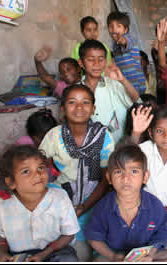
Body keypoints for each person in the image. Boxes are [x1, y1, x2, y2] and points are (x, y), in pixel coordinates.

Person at [39, 84, 115, 261]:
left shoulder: (103, 136)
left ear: (93, 108)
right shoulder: (54, 136)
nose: (79, 108)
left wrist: (83, 207)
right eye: (72, 102)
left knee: (98, 241)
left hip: (95, 198)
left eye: (85, 102)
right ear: (63, 109)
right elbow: (38, 164)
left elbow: (106, 180)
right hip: (63, 197)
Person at [85, 144, 167, 262]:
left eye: (134, 171)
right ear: (109, 178)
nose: (126, 178)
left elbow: (161, 234)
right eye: (118, 172)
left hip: (144, 255)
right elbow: (93, 238)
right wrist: (112, 256)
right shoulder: (102, 208)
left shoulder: (155, 206)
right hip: (114, 255)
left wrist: (151, 253)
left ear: (145, 176)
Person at [0, 145, 79, 262]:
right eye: (26, 171)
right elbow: (0, 236)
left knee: (68, 259)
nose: (37, 174)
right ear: (11, 182)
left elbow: (69, 234)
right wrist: (1, 253)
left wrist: (44, 254)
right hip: (16, 255)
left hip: (53, 251)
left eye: (41, 168)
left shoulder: (60, 198)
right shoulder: (2, 206)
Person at [76, 39, 140, 144]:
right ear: (81, 63)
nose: (96, 64)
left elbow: (137, 102)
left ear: (105, 61)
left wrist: (123, 80)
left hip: (118, 148)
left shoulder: (114, 84)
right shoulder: (75, 92)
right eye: (91, 59)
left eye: (101, 59)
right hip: (91, 151)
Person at [107, 11, 147, 94]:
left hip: (136, 84)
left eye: (118, 26)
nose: (114, 29)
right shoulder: (115, 44)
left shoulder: (128, 38)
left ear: (125, 30)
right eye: (111, 26)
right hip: (126, 83)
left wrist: (121, 39)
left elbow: (125, 42)